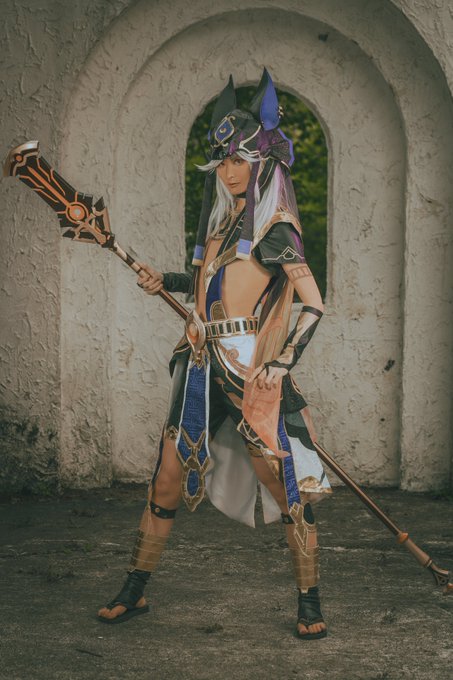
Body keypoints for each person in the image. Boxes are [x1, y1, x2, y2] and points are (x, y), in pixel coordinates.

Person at [97, 68, 331, 640]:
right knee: (165, 478)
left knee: (282, 484)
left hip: (250, 368)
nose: (228, 172)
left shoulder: (275, 229)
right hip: (199, 362)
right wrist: (168, 280)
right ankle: (134, 589)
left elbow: (314, 303)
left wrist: (283, 361)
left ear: (260, 161)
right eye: (222, 162)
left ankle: (309, 601)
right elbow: (210, 286)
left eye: (237, 160)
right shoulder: (225, 225)